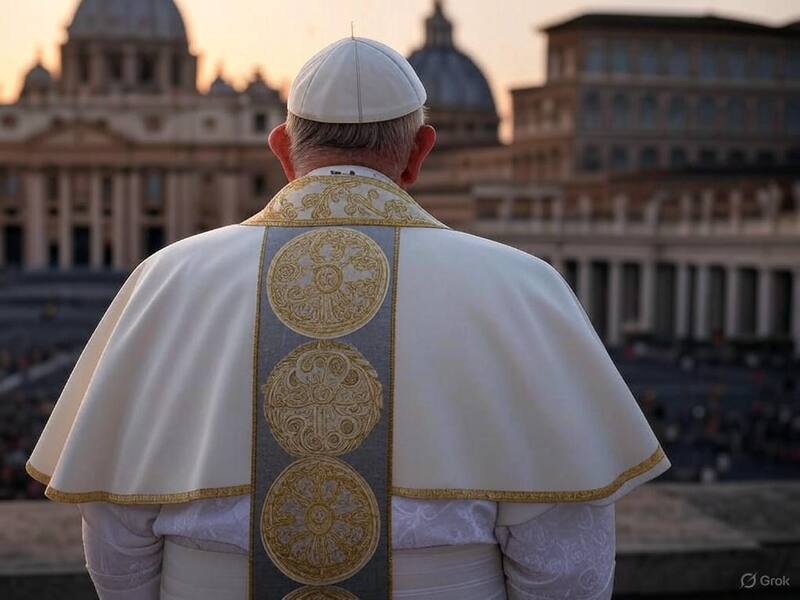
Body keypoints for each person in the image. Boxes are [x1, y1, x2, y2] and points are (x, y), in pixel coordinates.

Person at [27, 36, 670, 599]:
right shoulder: (525, 287)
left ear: (282, 147)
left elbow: (114, 541)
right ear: (420, 151)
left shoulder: (163, 280)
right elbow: (566, 564)